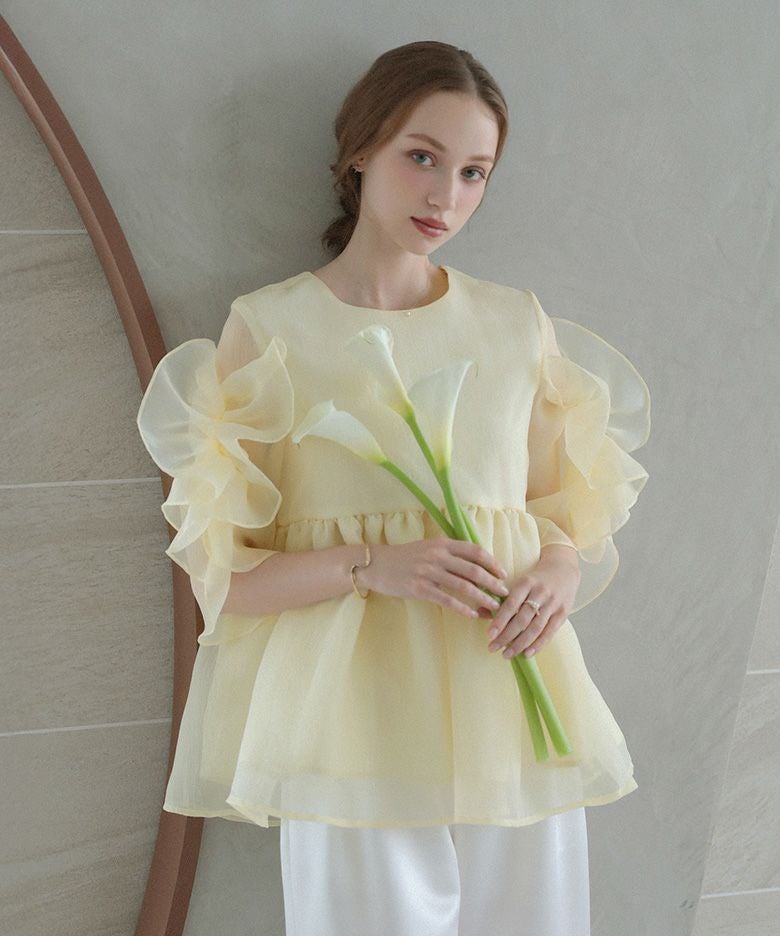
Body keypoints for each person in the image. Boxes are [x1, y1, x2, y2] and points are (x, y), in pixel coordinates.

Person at [136, 40, 651, 936]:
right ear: (362, 150)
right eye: (423, 157)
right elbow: (227, 578)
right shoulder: (271, 330)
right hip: (348, 721)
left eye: (474, 172)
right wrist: (375, 564)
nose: (446, 195)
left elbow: (558, 510)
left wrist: (558, 571)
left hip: (511, 697)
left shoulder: (512, 324)